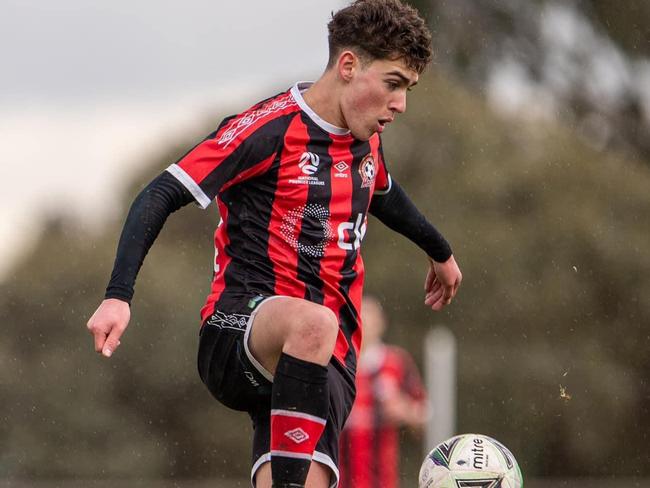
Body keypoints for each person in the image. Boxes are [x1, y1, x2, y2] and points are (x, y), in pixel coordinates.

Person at [85, 1, 462, 487]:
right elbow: (161, 191)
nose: (401, 104)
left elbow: (384, 193)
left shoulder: (366, 139)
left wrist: (440, 250)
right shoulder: (270, 128)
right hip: (238, 327)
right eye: (392, 84)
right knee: (312, 323)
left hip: (331, 357)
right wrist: (119, 293)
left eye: (407, 89)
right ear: (348, 66)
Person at [339, 295, 428, 488]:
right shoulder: (335, 362)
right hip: (338, 478)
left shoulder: (396, 363)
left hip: (381, 480)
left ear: (381, 324)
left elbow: (423, 415)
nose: (364, 325)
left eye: (369, 319)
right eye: (358, 317)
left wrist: (402, 409)